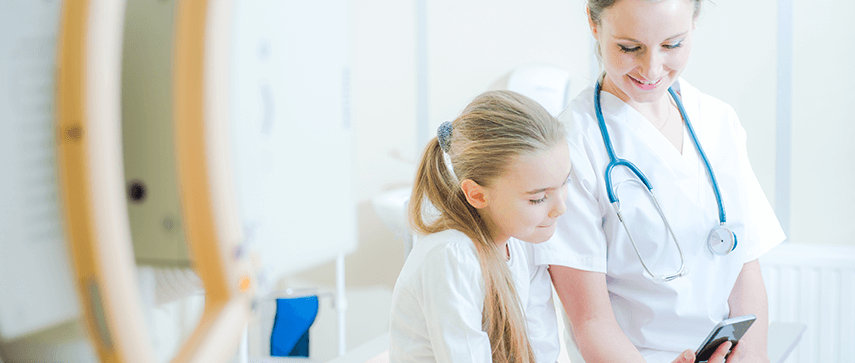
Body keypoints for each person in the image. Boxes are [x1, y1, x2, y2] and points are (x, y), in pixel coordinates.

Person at [533, 0, 787, 362]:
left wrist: (752, 354)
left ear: (694, 23)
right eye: (629, 47)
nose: (651, 68)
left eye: (672, 45)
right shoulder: (570, 145)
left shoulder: (718, 121)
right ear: (593, 23)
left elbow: (744, 264)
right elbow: (590, 321)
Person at [388, 90, 569, 363]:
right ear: (476, 194)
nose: (560, 208)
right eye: (538, 198)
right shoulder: (452, 256)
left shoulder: (521, 241)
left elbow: (541, 352)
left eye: (565, 182)